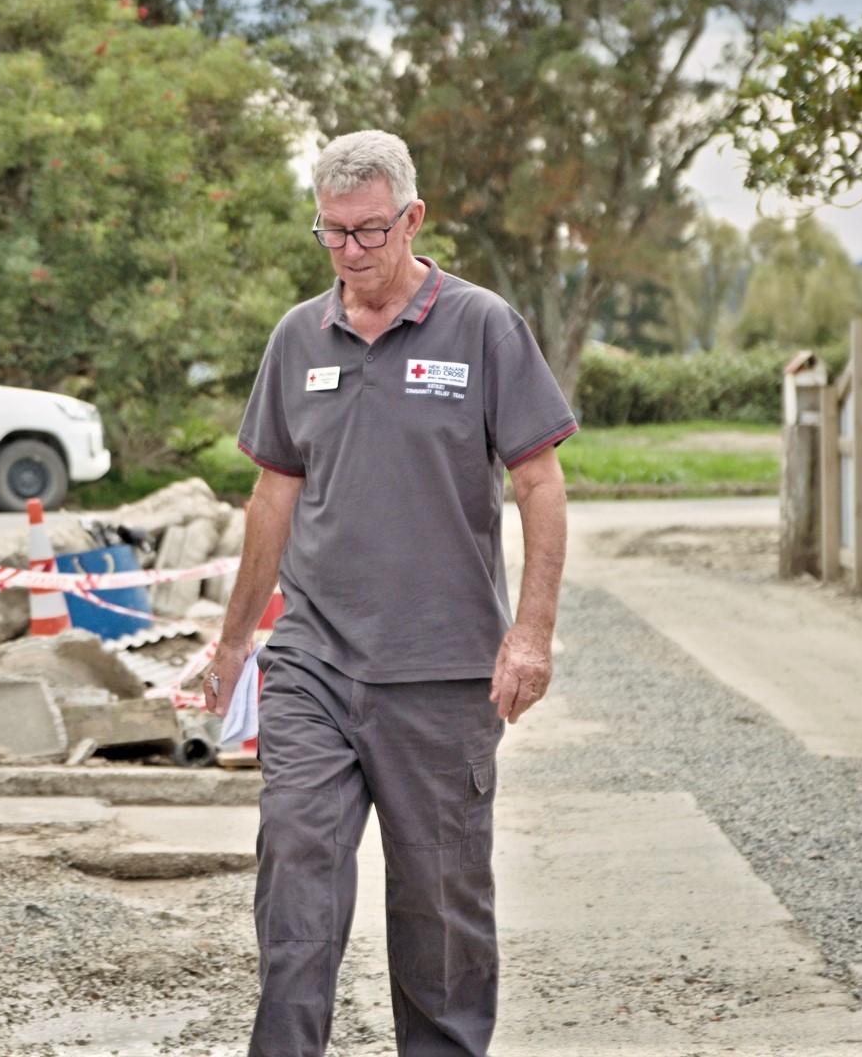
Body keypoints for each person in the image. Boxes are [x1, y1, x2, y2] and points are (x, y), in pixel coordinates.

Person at [207, 129, 576, 1057]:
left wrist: (530, 635)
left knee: (440, 917)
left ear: (413, 218)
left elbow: (539, 485)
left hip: (444, 676)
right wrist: (233, 640)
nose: (351, 254)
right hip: (314, 667)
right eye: (332, 234)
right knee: (296, 875)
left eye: (370, 232)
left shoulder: (484, 327)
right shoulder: (298, 337)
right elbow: (272, 494)